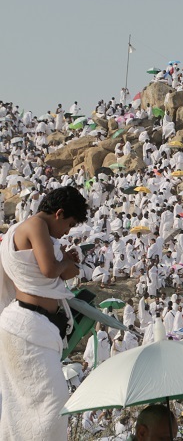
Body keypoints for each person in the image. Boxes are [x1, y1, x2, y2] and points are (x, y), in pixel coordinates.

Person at [0, 186, 88, 441]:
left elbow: (45, 266)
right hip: (27, 324)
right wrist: (67, 264)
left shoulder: (30, 231)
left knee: (28, 407)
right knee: (52, 404)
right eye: (69, 224)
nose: (67, 232)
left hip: (35, 327)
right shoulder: (36, 225)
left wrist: (64, 261)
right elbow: (49, 269)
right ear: (59, 213)